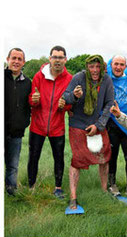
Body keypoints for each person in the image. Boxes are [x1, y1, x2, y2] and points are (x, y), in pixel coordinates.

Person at [63, 55, 114, 209]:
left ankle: (104, 191)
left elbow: (109, 103)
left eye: (98, 67)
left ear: (103, 67)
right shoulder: (79, 77)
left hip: (98, 124)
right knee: (77, 160)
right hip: (78, 124)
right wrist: (74, 96)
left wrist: (98, 125)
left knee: (104, 157)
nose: (95, 70)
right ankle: (73, 197)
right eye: (92, 67)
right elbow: (65, 97)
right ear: (87, 67)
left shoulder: (107, 80)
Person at [27, 46, 73, 199]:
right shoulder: (39, 76)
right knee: (33, 156)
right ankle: (31, 186)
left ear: (65, 59)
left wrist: (65, 106)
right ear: (50, 58)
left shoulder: (69, 79)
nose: (57, 60)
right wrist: (33, 100)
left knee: (58, 157)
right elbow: (31, 99)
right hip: (37, 125)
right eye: (55, 57)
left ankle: (58, 188)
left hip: (57, 126)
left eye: (61, 57)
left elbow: (71, 102)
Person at [106, 55, 127, 196]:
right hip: (111, 123)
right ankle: (111, 184)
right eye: (116, 64)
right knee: (111, 155)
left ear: (125, 66)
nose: (118, 67)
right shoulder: (106, 79)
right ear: (111, 64)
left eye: (121, 64)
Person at [5, 48, 31, 196]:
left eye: (19, 59)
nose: (16, 61)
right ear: (8, 59)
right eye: (13, 58)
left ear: (23, 63)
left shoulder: (27, 82)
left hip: (16, 132)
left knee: (13, 166)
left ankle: (11, 192)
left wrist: (24, 122)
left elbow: (29, 105)